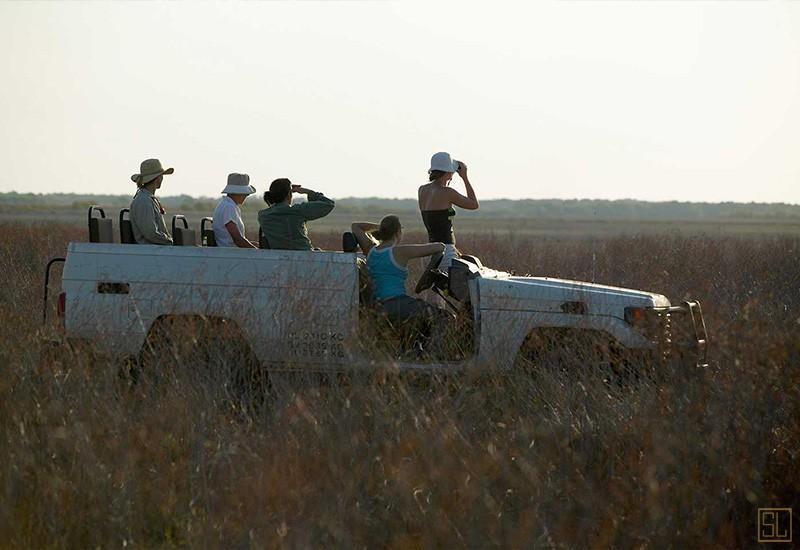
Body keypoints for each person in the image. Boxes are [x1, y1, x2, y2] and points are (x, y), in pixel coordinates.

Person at [351, 215, 452, 352]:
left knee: (418, 324)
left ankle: (413, 354)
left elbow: (356, 226)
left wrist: (380, 227)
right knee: (445, 317)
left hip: (378, 307)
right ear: (398, 233)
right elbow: (439, 247)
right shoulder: (399, 252)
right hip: (397, 304)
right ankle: (434, 357)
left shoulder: (370, 250)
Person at [417, 152, 479, 270]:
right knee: (458, 287)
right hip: (445, 252)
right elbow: (474, 204)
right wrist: (465, 178)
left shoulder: (422, 190)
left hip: (429, 251)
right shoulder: (447, 192)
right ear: (448, 172)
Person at [258, 178, 335, 250]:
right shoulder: (297, 211)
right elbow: (329, 204)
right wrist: (307, 192)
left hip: (278, 258)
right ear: (289, 195)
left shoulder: (263, 216)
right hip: (303, 256)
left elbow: (274, 208)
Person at [129, 158, 174, 245]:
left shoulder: (148, 199)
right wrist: (170, 242)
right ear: (157, 178)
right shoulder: (144, 201)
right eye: (162, 175)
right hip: (151, 252)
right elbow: (151, 233)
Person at [212, 173, 258, 248]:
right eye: (246, 193)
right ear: (239, 192)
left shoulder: (227, 205)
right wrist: (256, 251)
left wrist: (253, 245)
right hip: (230, 252)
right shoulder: (229, 207)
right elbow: (238, 240)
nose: (247, 196)